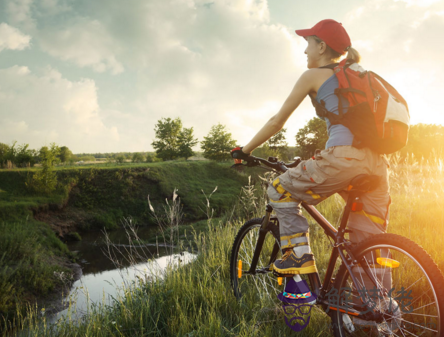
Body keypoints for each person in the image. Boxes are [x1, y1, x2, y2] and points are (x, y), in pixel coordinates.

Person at [231, 19, 391, 276]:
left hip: (343, 159)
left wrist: (245, 150)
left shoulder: (313, 76)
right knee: (368, 244)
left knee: (278, 190)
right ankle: (379, 311)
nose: (305, 50)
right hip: (377, 165)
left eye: (308, 44)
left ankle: (298, 255)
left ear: (322, 47)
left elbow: (277, 122)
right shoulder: (358, 76)